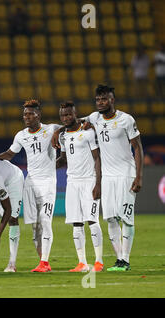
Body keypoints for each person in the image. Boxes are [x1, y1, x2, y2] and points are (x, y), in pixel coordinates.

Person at [0, 99, 60, 272]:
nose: (26, 117)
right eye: (24, 114)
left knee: (45, 220)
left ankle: (45, 262)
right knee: (35, 226)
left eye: (30, 113)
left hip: (48, 183)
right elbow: (10, 154)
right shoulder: (21, 135)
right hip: (30, 183)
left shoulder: (51, 129)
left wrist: (60, 133)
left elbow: (69, 125)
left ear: (38, 115)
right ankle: (43, 261)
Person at [80, 85, 143, 271]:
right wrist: (58, 132)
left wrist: (138, 177)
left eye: (104, 99)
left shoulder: (126, 120)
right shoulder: (94, 117)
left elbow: (137, 147)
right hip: (107, 176)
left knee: (127, 218)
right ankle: (119, 260)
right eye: (98, 99)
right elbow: (75, 122)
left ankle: (126, 259)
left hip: (126, 174)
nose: (101, 102)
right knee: (110, 218)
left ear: (112, 100)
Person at [56, 101, 104, 272]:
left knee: (92, 220)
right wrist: (49, 166)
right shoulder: (62, 136)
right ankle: (82, 262)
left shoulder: (88, 132)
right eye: (63, 115)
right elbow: (63, 158)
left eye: (69, 114)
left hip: (89, 180)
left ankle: (99, 261)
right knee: (76, 223)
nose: (66, 118)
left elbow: (97, 158)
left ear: (75, 114)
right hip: (72, 182)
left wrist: (98, 183)